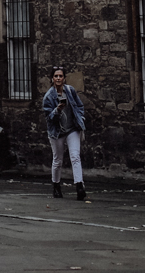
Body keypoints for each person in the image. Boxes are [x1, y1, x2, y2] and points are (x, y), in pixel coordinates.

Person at [42, 66, 87, 201]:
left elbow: (79, 106)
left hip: (72, 129)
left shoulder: (70, 90)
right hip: (57, 132)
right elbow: (48, 117)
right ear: (52, 78)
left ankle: (79, 186)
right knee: (58, 160)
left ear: (64, 78)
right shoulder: (49, 96)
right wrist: (57, 110)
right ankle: (56, 186)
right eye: (56, 76)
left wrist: (80, 118)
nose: (58, 78)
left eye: (60, 76)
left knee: (75, 156)